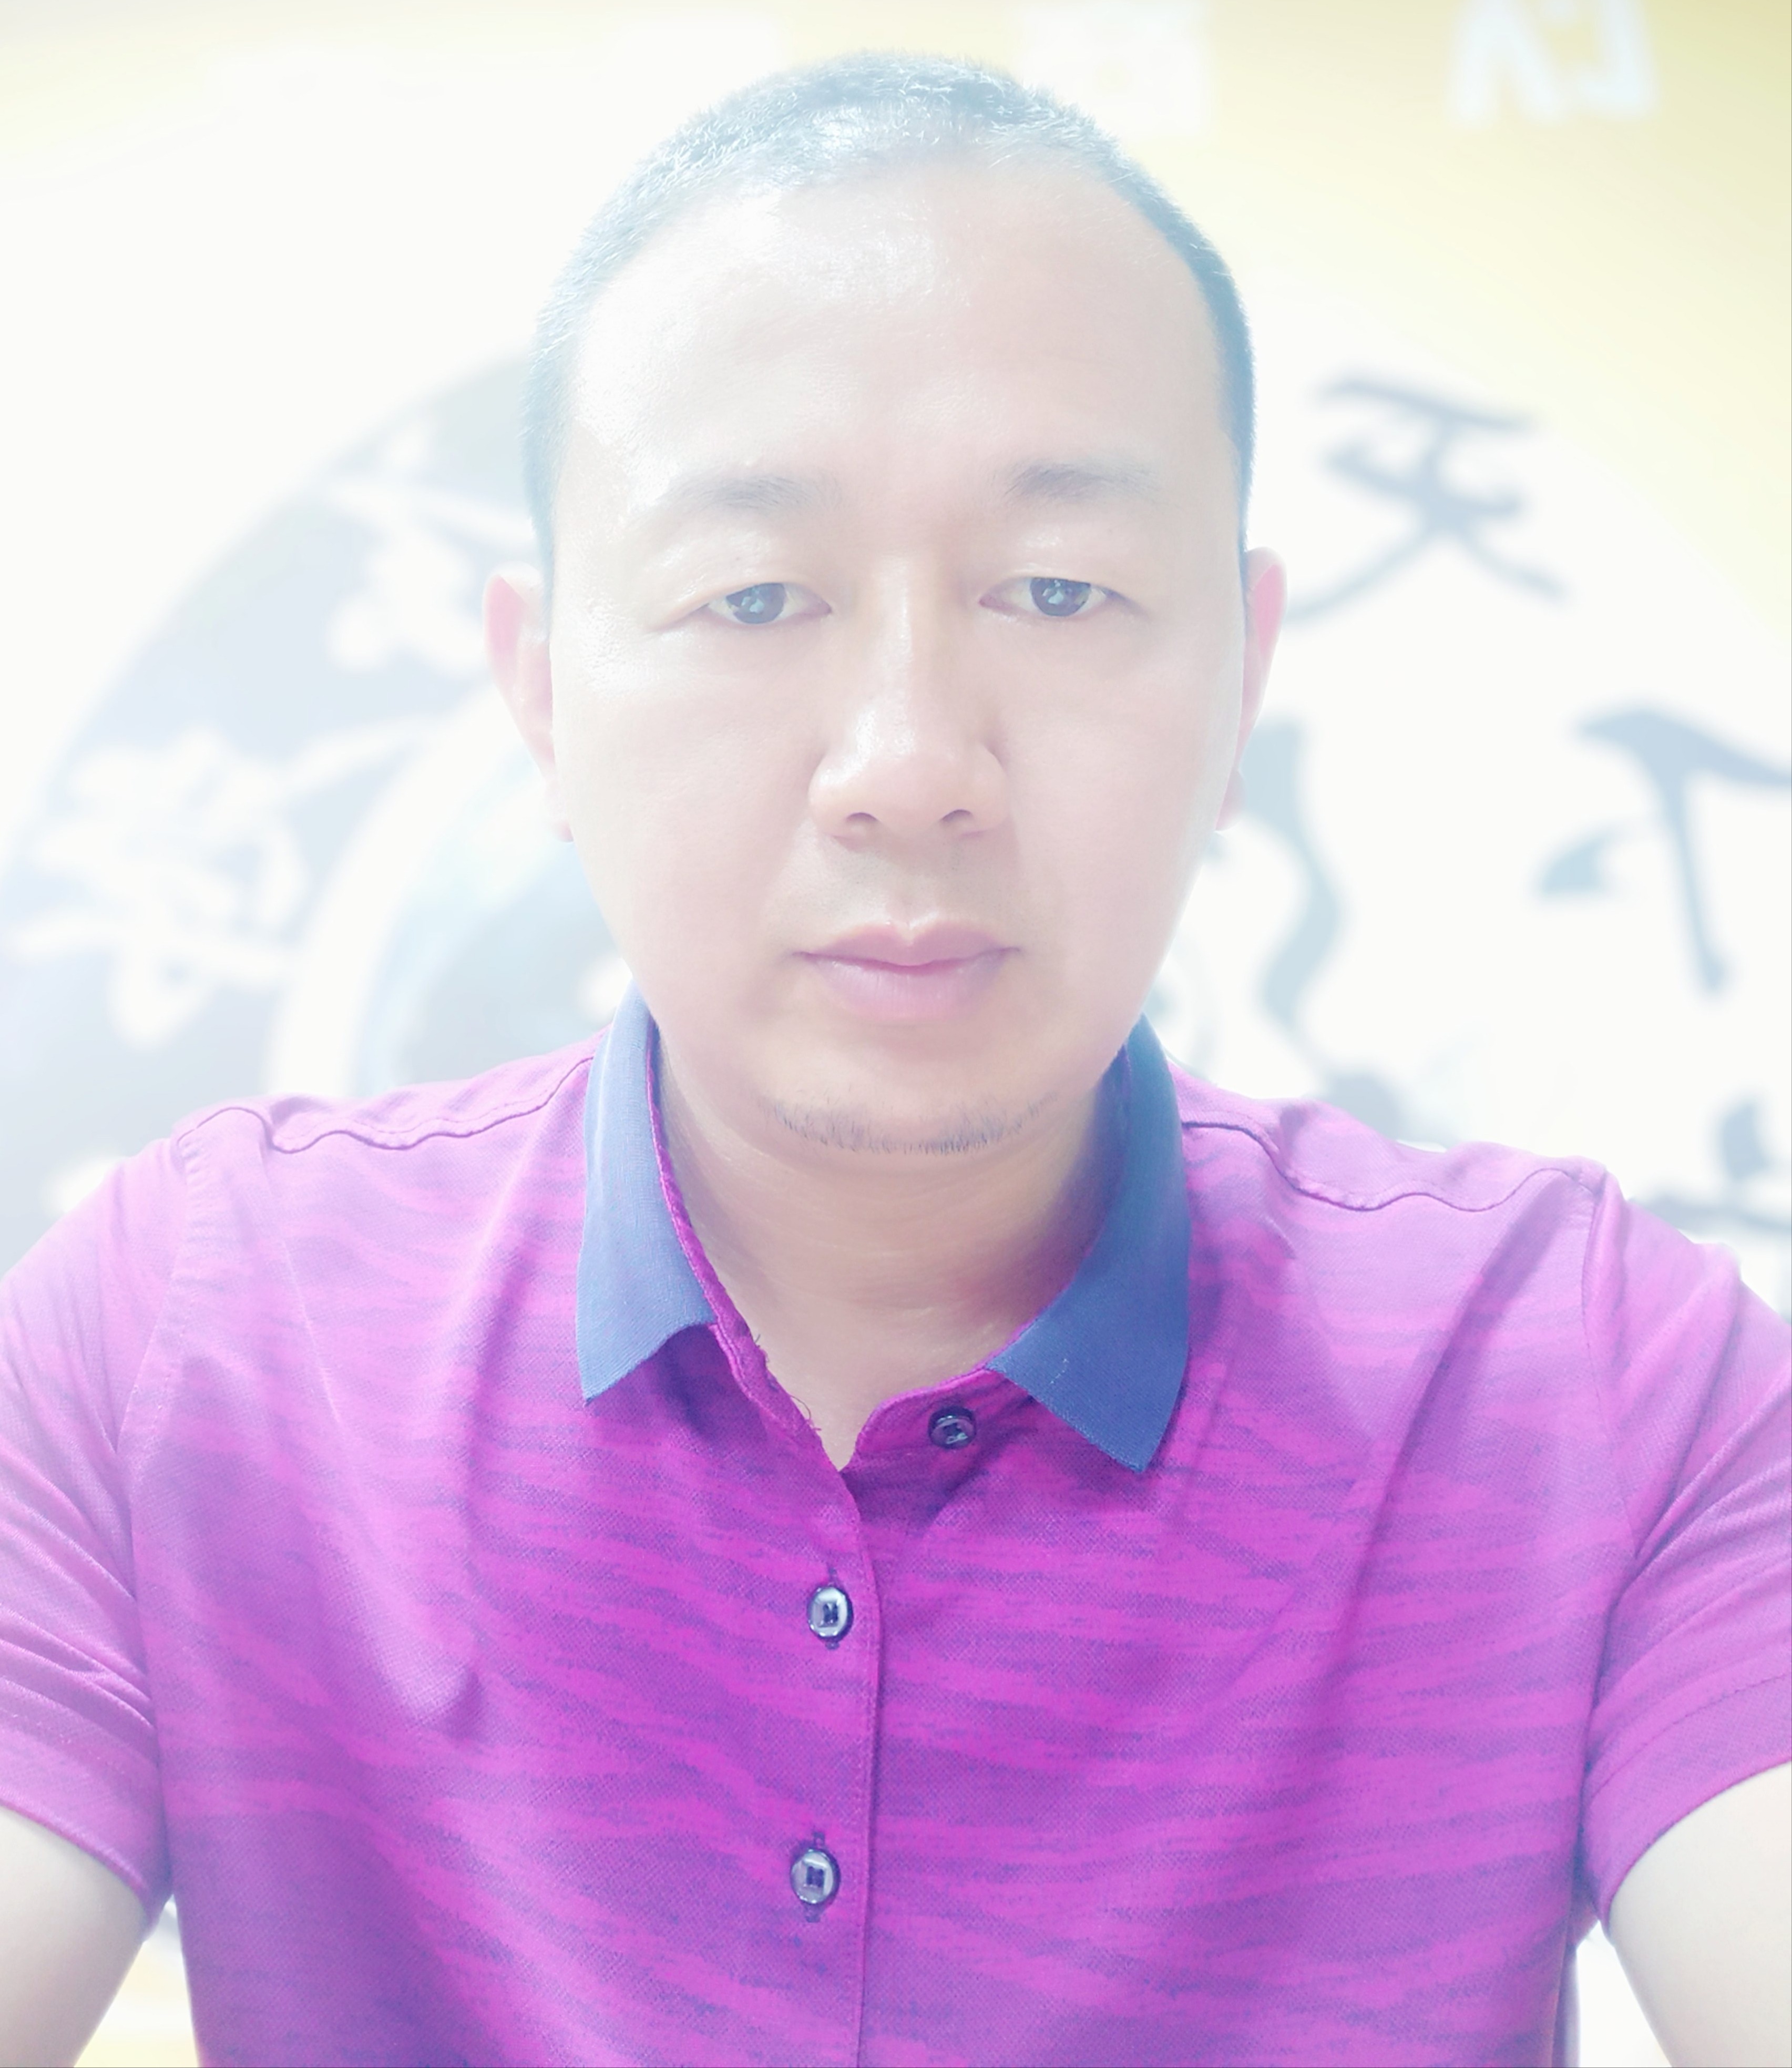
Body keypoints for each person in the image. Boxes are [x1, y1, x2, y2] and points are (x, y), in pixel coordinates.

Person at [1, 53, 1786, 2068]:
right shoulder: (204, 1337)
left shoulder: (1573, 1376)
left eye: (1058, 590)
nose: (910, 764)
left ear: (1240, 675)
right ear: (543, 689)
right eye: (756, 596)